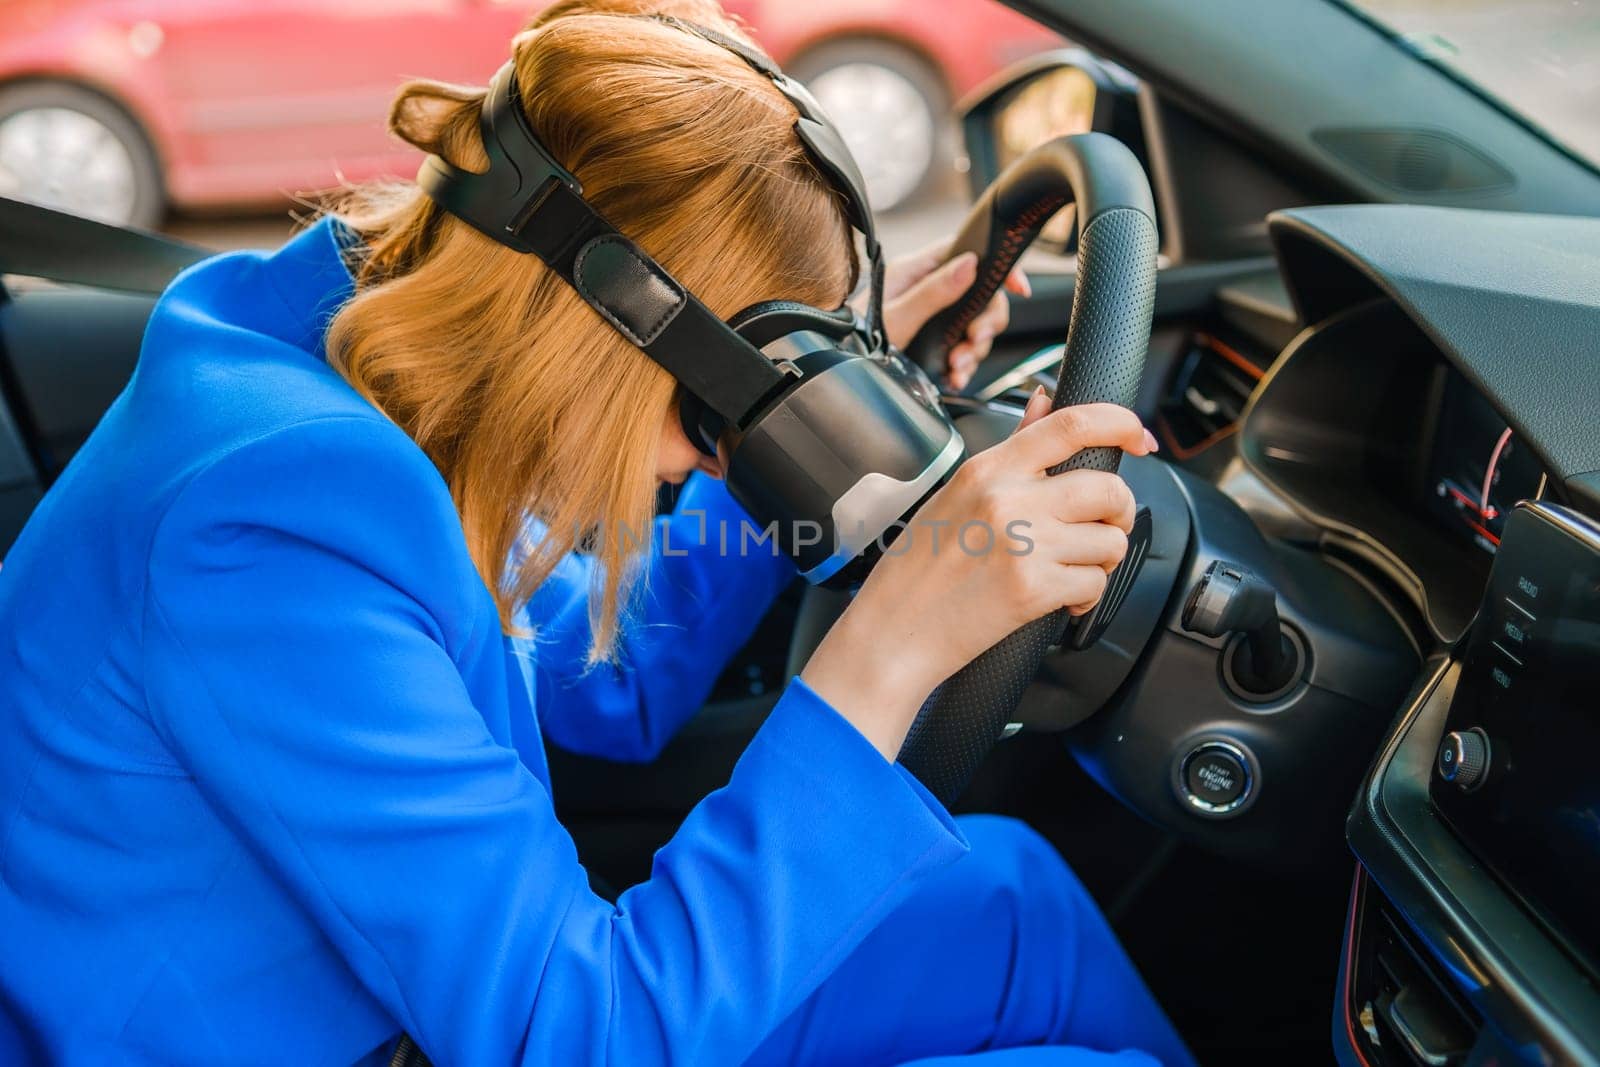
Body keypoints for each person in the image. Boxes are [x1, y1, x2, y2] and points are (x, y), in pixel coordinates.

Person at [0, 1, 1193, 1064]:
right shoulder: (271, 529)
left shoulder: (390, 378)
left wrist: (808, 432)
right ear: (608, 330)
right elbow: (577, 1032)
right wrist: (893, 645)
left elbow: (605, 678)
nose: (718, 443)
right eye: (721, 409)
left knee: (1011, 896)